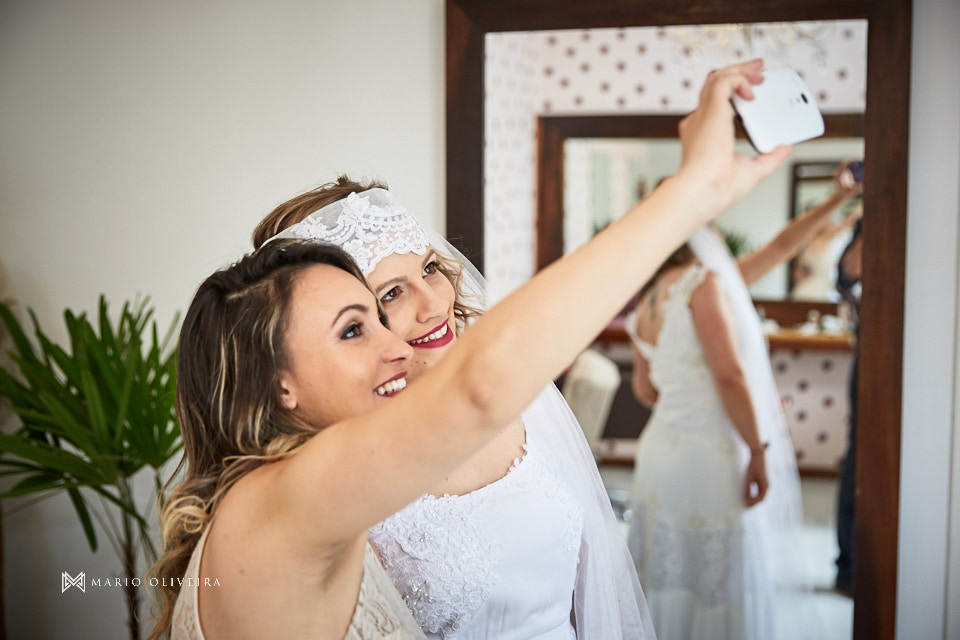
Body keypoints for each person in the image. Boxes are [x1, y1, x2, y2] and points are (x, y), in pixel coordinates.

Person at [148, 59, 791, 640]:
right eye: (357, 325)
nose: (403, 337)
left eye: (423, 276)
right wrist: (693, 192)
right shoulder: (282, 504)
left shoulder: (318, 475)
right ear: (275, 381)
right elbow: (478, 389)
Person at [252, 177, 650, 639]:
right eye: (390, 295)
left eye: (429, 269)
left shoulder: (516, 394)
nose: (436, 303)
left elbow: (594, 586)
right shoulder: (330, 474)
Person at [623, 214, 836, 639]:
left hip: (659, 453)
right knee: (713, 580)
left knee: (666, 570)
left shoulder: (647, 299)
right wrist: (760, 449)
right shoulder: (703, 285)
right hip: (707, 458)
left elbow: (646, 391)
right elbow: (729, 377)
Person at [834, 216, 863, 597]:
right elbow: (847, 275)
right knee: (857, 455)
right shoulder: (865, 225)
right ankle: (847, 565)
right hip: (870, 351)